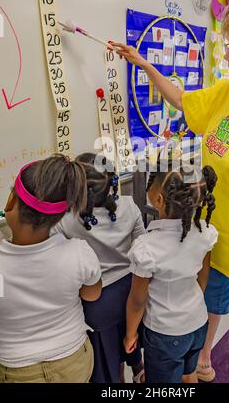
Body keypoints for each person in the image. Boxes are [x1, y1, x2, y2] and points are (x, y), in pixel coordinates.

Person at [113, 0, 229, 383]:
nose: (228, 55)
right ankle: (203, 358)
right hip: (213, 241)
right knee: (209, 305)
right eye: (227, 45)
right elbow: (182, 100)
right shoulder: (228, 91)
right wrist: (145, 65)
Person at [0, 155, 102, 383]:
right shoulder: (79, 254)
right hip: (74, 359)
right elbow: (91, 294)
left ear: (10, 202)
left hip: (18, 370)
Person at [124, 156, 218, 383]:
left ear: (158, 199)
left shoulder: (146, 248)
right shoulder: (206, 232)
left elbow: (137, 300)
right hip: (197, 323)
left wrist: (130, 334)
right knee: (189, 375)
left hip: (164, 333)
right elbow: (203, 276)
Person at [53, 153, 145, 383]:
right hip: (132, 291)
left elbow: (59, 260)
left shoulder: (67, 221)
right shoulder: (129, 206)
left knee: (107, 360)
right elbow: (143, 247)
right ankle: (139, 370)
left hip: (97, 301)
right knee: (130, 335)